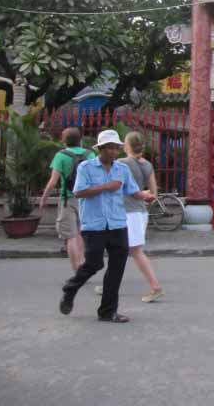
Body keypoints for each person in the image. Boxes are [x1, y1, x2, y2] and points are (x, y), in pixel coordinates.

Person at [59, 130, 155, 323]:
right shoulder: (86, 167)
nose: (113, 151)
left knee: (116, 268)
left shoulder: (122, 169)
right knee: (94, 263)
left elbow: (132, 190)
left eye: (116, 148)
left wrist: (145, 196)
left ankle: (108, 311)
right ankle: (70, 288)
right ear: (100, 149)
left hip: (118, 223)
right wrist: (106, 187)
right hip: (94, 225)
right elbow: (78, 192)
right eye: (109, 147)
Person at [116, 132, 164, 303]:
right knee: (121, 249)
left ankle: (155, 286)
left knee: (134, 251)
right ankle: (111, 283)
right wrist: (146, 199)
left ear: (127, 146)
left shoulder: (121, 163)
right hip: (140, 211)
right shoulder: (148, 165)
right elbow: (153, 193)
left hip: (128, 212)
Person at [38, 128, 93, 272]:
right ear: (80, 139)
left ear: (63, 140)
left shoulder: (60, 156)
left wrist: (44, 198)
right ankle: (81, 263)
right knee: (81, 232)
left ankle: (76, 271)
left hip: (68, 199)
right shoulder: (90, 154)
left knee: (70, 236)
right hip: (87, 198)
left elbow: (53, 181)